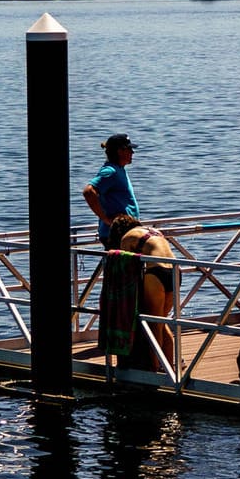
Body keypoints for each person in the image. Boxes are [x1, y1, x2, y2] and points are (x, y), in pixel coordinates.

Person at [104, 214, 176, 371]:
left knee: (153, 325)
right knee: (163, 322)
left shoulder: (126, 238)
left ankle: (154, 368)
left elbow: (126, 271)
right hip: (175, 271)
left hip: (156, 273)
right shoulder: (152, 231)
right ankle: (170, 367)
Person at [83, 133, 140, 244]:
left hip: (126, 232)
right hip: (116, 234)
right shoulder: (110, 171)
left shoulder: (119, 169)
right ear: (120, 151)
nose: (133, 152)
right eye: (129, 149)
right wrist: (105, 219)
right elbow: (88, 192)